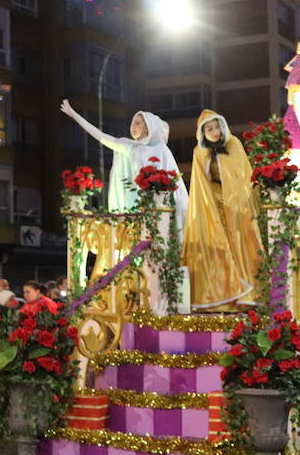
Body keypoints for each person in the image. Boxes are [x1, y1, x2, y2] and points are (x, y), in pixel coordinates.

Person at [182, 110, 263, 311]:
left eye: (217, 126)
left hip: (235, 203)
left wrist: (236, 201)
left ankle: (249, 295)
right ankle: (223, 297)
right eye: (209, 128)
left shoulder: (233, 144)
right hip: (212, 203)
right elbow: (201, 182)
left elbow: (242, 174)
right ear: (203, 132)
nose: (215, 131)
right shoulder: (199, 152)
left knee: (241, 245)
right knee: (217, 247)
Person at [60, 99, 188, 217]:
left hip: (160, 209)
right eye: (132, 123)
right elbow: (101, 136)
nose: (133, 127)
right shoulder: (130, 146)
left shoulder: (161, 150)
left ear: (148, 128)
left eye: (138, 123)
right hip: (137, 205)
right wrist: (74, 114)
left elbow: (173, 184)